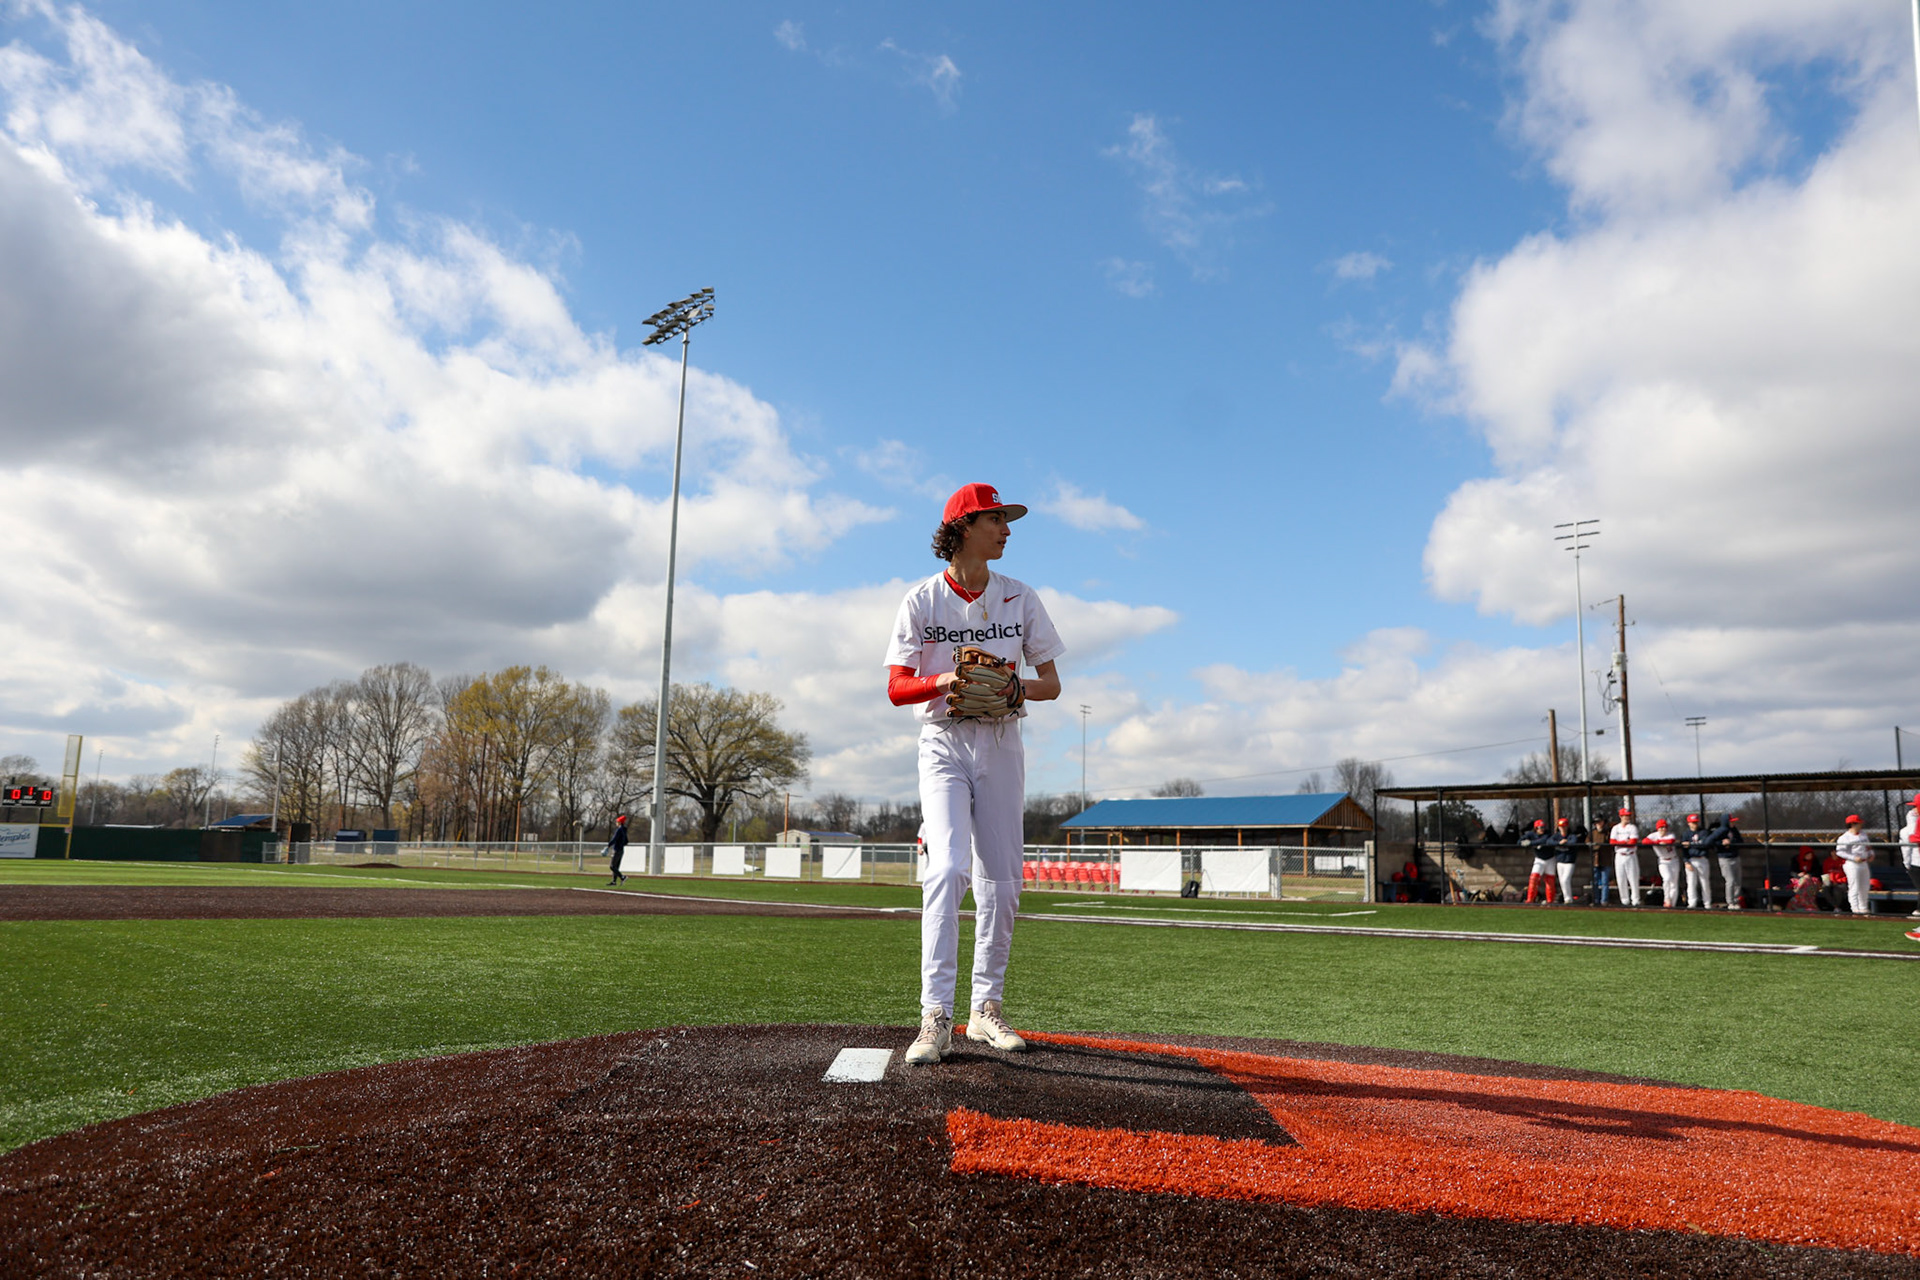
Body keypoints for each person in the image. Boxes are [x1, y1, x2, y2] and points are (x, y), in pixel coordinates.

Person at [885, 483, 1064, 1066]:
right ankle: (934, 1015)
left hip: (1002, 741)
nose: (1007, 529)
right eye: (997, 519)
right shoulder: (921, 600)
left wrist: (1014, 687)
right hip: (943, 742)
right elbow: (896, 688)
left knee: (1004, 880)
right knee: (948, 870)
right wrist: (946, 679)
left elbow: (1051, 685)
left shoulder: (1020, 596)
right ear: (964, 526)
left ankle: (985, 1008)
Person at [1834, 814, 1874, 916]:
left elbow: (1868, 847)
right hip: (1852, 864)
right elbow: (1840, 852)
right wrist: (1853, 857)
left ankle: (1864, 908)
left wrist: (1871, 854)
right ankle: (1855, 909)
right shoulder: (1844, 837)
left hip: (1864, 863)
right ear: (1852, 824)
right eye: (1858, 823)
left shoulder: (1863, 834)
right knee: (1854, 886)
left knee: (1865, 886)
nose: (1860, 825)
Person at [1609, 808, 1642, 907]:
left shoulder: (1632, 827)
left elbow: (1632, 842)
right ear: (1621, 816)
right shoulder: (1616, 828)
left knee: (1633, 878)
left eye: (1628, 816)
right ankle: (1624, 901)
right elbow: (1612, 842)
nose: (1627, 817)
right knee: (1620, 878)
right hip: (1619, 855)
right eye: (1625, 816)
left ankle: (1635, 900)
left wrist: (1621, 843)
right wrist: (1624, 842)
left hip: (1630, 855)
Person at [1644, 818, 1681, 909]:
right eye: (1660, 828)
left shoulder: (1670, 834)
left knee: (1674, 883)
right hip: (1663, 861)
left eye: (1664, 827)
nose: (1662, 829)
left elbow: (1671, 841)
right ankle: (1667, 899)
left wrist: (1658, 843)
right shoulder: (1654, 835)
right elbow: (1645, 841)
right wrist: (1658, 842)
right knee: (1667, 878)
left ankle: (1673, 904)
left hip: (1674, 860)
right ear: (1657, 828)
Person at [1712, 814, 1746, 909]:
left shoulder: (1734, 830)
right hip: (1725, 859)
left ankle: (1736, 901)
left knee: (1738, 881)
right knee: (1730, 881)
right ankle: (1730, 902)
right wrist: (1721, 843)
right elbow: (1711, 842)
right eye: (1731, 821)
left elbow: (1741, 841)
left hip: (1735, 857)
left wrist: (1732, 842)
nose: (1733, 823)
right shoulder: (1720, 831)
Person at [1682, 814, 1714, 909]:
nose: (1695, 824)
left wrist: (1691, 844)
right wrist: (1686, 862)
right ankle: (1692, 903)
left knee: (1705, 882)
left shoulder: (1703, 832)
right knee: (1691, 883)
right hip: (1691, 860)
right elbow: (1684, 849)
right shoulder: (1686, 834)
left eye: (1696, 822)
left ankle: (1707, 903)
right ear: (1688, 823)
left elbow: (1704, 844)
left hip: (1702, 859)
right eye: (1692, 822)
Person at [1522, 819, 1557, 904]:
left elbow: (1544, 840)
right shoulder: (1531, 834)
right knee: (1533, 878)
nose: (1542, 829)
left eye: (1543, 827)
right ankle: (1530, 899)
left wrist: (1531, 843)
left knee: (1550, 881)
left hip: (1550, 859)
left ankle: (1550, 901)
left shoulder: (1547, 834)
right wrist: (1523, 842)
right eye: (1540, 827)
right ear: (1536, 828)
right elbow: (1520, 841)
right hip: (1539, 859)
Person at [1900, 794, 1920, 920]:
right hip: (1916, 862)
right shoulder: (1909, 825)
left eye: (1916, 807)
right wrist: (1907, 863)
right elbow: (1906, 847)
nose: (1913, 810)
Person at [606, 813, 629, 886]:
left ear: (619, 822)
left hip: (617, 849)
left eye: (617, 822)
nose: (616, 823)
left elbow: (614, 838)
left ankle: (622, 877)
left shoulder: (619, 830)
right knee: (616, 866)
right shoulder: (624, 830)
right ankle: (614, 882)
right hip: (621, 850)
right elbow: (626, 841)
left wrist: (609, 845)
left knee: (612, 866)